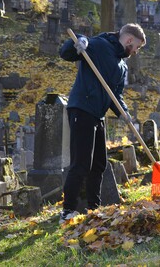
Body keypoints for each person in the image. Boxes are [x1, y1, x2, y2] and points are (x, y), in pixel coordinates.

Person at [58, 23, 146, 223]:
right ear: (129, 40)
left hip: (97, 114)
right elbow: (66, 53)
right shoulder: (99, 44)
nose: (135, 52)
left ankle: (93, 209)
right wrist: (78, 42)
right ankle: (67, 211)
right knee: (81, 163)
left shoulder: (121, 65)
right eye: (136, 47)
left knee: (99, 164)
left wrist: (124, 113)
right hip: (82, 108)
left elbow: (116, 94)